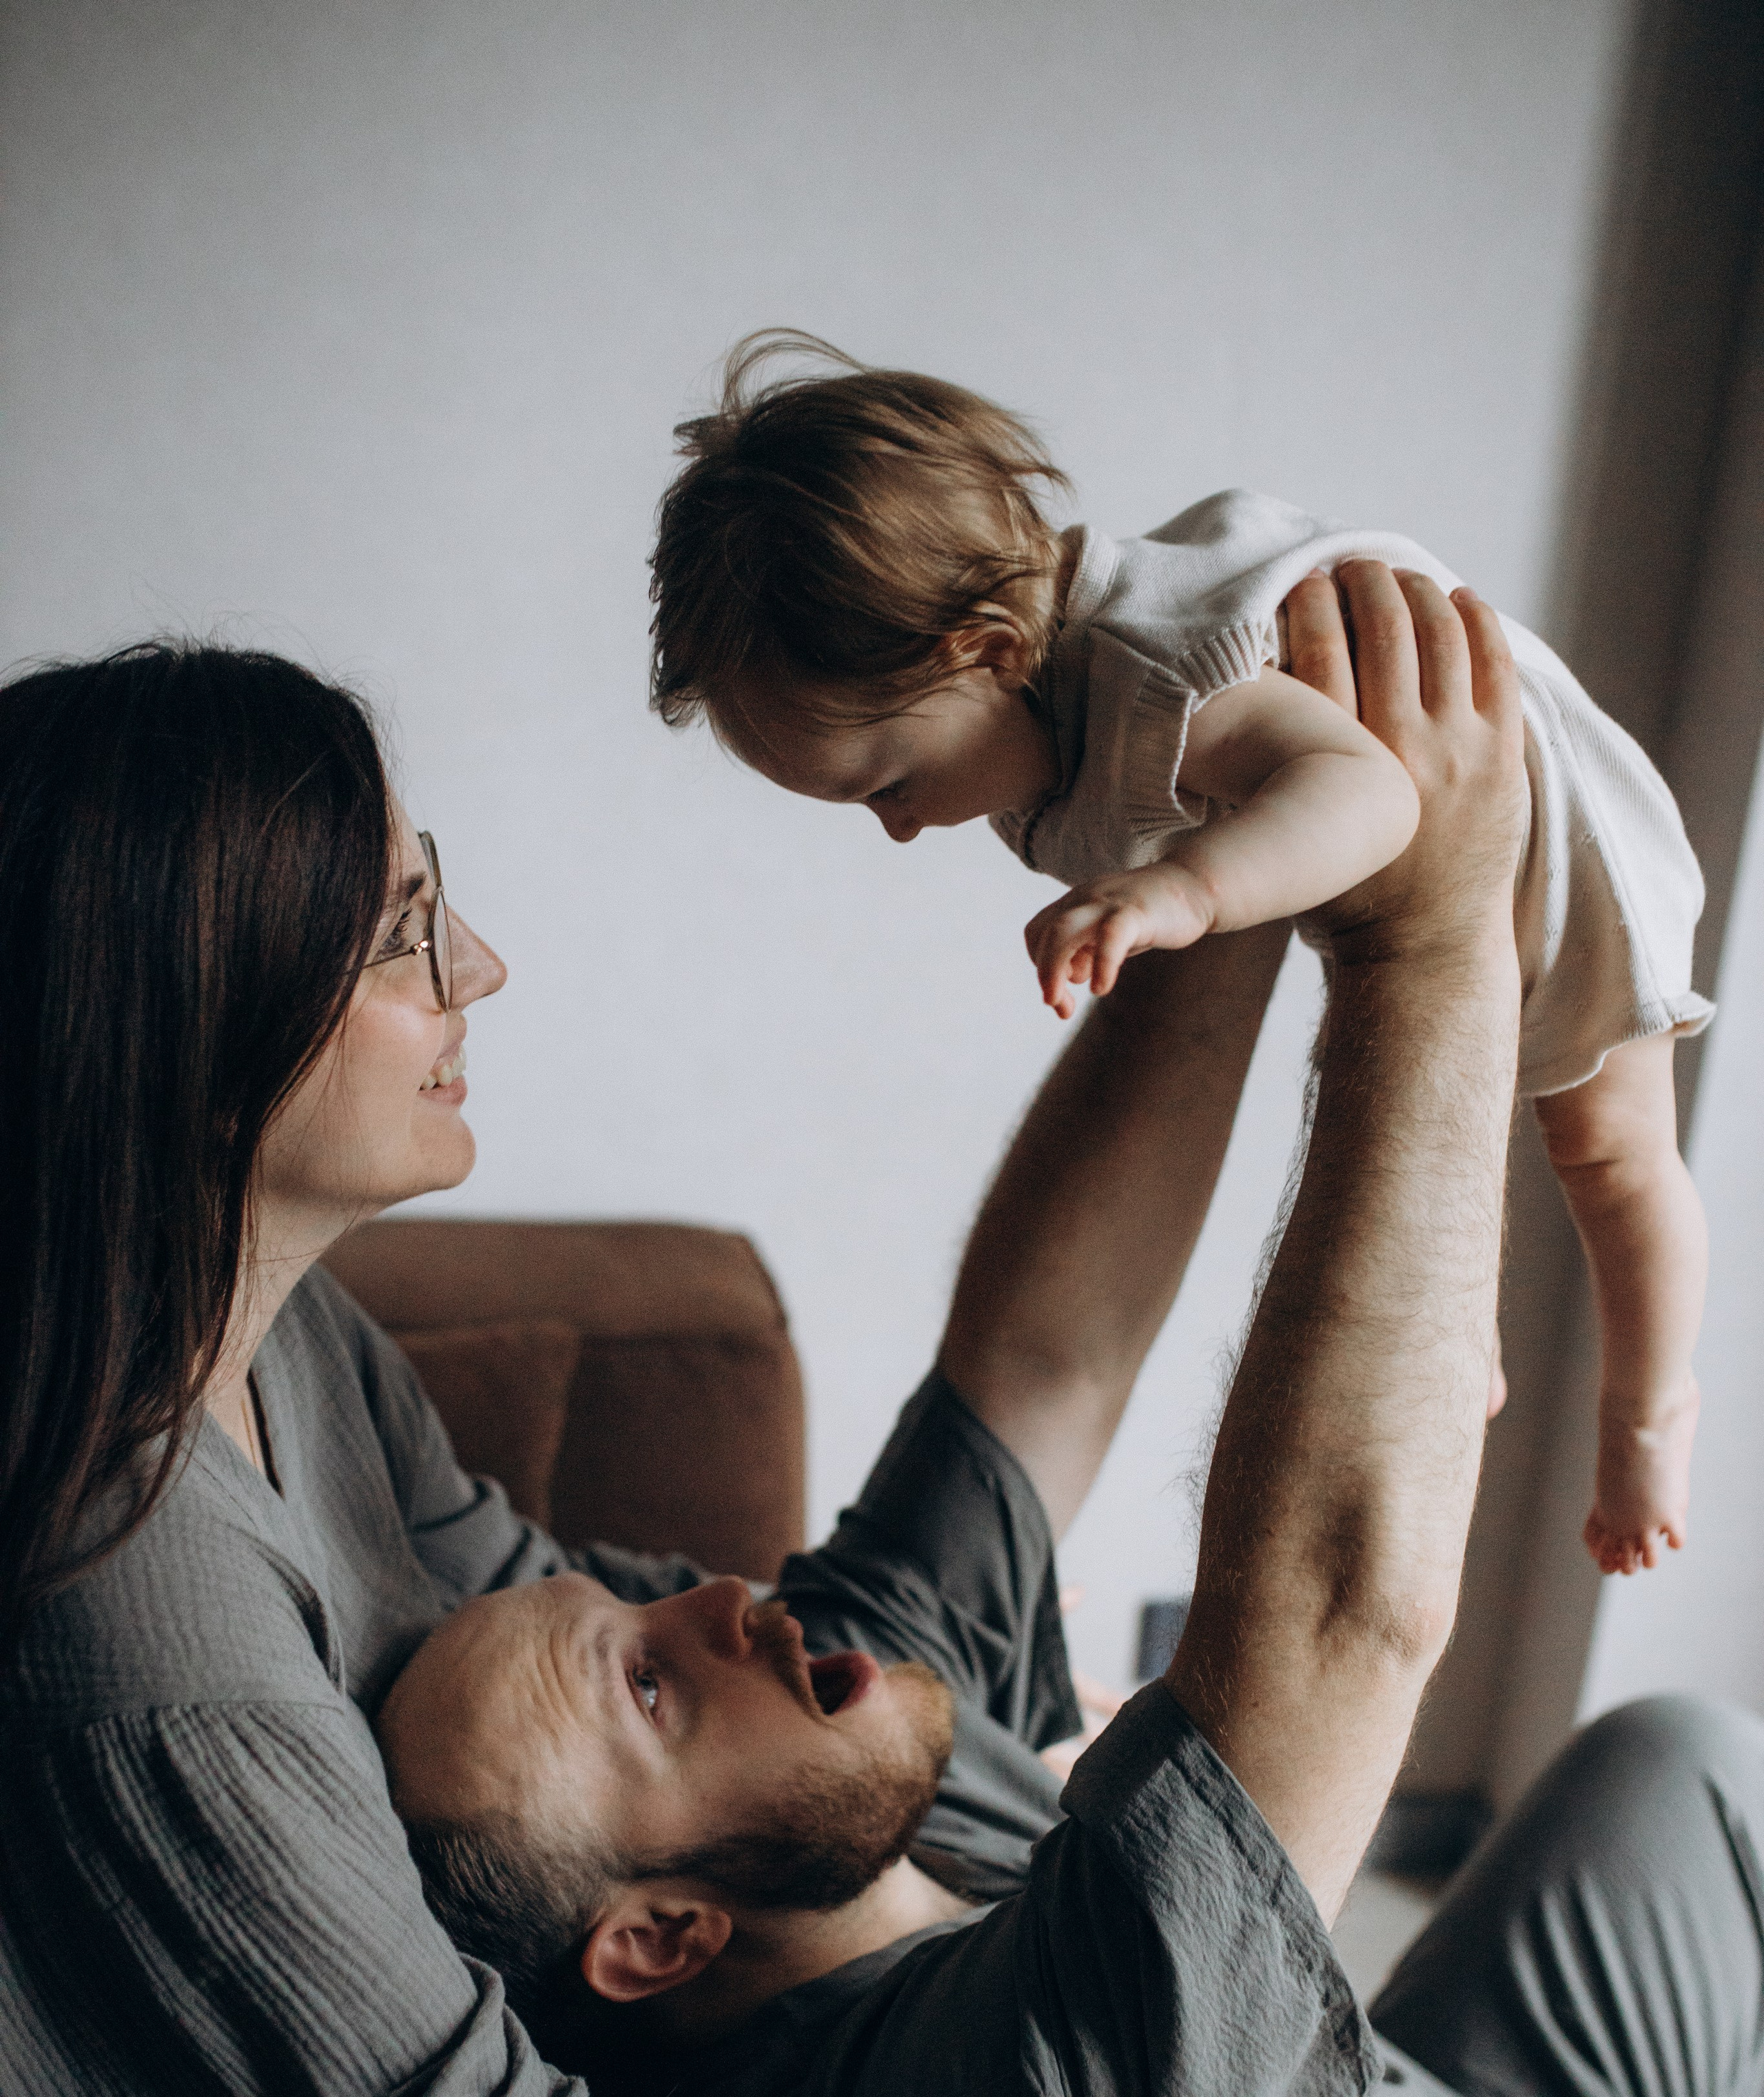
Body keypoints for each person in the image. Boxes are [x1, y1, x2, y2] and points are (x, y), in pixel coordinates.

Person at [390, 570, 1764, 2097]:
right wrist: (1431, 919)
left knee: (1685, 1762)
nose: (738, 1605)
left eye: (657, 1597)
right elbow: (1338, 1608)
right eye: (656, 1684)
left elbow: (1037, 1365)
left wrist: (1186, 845)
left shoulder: (841, 1755)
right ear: (664, 1935)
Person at [0, 640, 1342, 2097]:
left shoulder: (288, 1344)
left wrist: (1236, 872)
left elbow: (594, 1628)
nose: (483, 972)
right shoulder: (138, 1632)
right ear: (191, 1049)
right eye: (401, 938)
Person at [648, 331, 1710, 1580]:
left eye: (891, 783)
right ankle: (1461, 1327)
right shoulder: (1041, 707)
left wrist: (1185, 891)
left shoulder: (1158, 668)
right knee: (1448, 1116)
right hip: (1426, 861)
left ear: (987, 650)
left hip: (1561, 841)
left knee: (1609, 1154)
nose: (895, 828)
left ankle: (1650, 1408)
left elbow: (1368, 791)